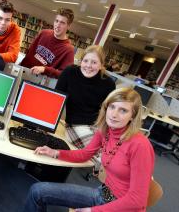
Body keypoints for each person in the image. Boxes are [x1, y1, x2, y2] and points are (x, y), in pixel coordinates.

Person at [23, 88, 155, 212]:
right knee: (38, 191)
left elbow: (138, 200)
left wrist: (93, 211)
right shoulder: (105, 130)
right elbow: (85, 154)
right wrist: (55, 153)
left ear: (133, 116)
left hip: (123, 208)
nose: (114, 114)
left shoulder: (140, 145)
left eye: (123, 110)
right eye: (112, 107)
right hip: (102, 194)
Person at [56, 45, 116, 127]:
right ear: (81, 61)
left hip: (96, 125)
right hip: (72, 123)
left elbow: (109, 111)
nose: (88, 65)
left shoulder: (109, 84)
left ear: (101, 65)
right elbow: (56, 98)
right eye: (85, 61)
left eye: (94, 62)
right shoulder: (69, 72)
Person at [20, 7, 75, 78]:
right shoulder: (44, 33)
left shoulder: (68, 50)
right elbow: (29, 53)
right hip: (24, 72)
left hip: (40, 82)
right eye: (56, 21)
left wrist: (45, 69)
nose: (58, 25)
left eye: (62, 23)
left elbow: (65, 75)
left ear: (68, 26)